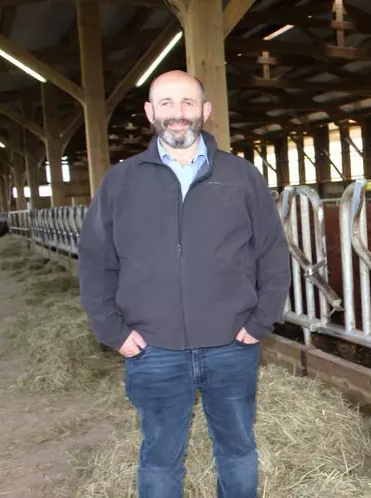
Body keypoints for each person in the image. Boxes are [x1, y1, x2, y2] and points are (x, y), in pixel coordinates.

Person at [77, 69, 291, 498]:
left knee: (236, 449)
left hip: (232, 344)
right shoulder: (121, 181)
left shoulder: (242, 176)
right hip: (152, 347)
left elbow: (272, 253)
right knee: (160, 456)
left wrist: (261, 321)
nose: (178, 114)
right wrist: (113, 331)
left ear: (205, 111)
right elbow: (96, 261)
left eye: (188, 103)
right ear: (150, 112)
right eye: (167, 104)